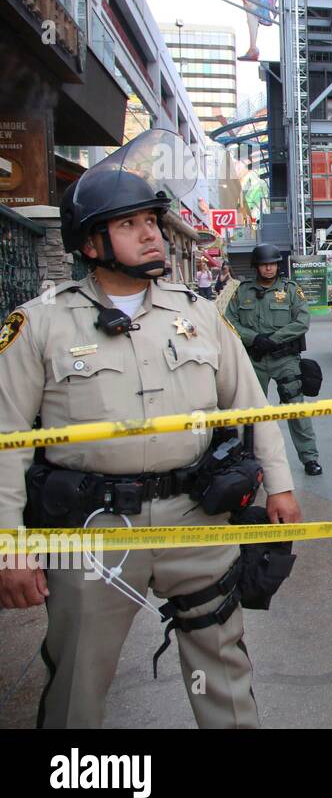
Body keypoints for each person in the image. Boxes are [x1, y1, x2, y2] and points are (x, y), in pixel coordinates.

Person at [0, 130, 301, 728]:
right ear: (90, 243)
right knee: (77, 681)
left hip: (197, 517)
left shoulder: (198, 314)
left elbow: (249, 406)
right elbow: (7, 441)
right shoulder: (38, 325)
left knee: (225, 669)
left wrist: (281, 486)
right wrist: (11, 545)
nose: (151, 234)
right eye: (130, 224)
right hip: (94, 530)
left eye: (152, 222)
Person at [224, 244, 322, 475]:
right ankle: (248, 457)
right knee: (251, 410)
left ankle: (310, 458)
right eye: (264, 264)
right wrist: (254, 338)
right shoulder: (242, 291)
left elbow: (302, 321)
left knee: (295, 409)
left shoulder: (291, 290)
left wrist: (274, 339)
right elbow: (229, 320)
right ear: (256, 267)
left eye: (272, 264)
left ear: (278, 265)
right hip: (254, 358)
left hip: (285, 359)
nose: (269, 268)